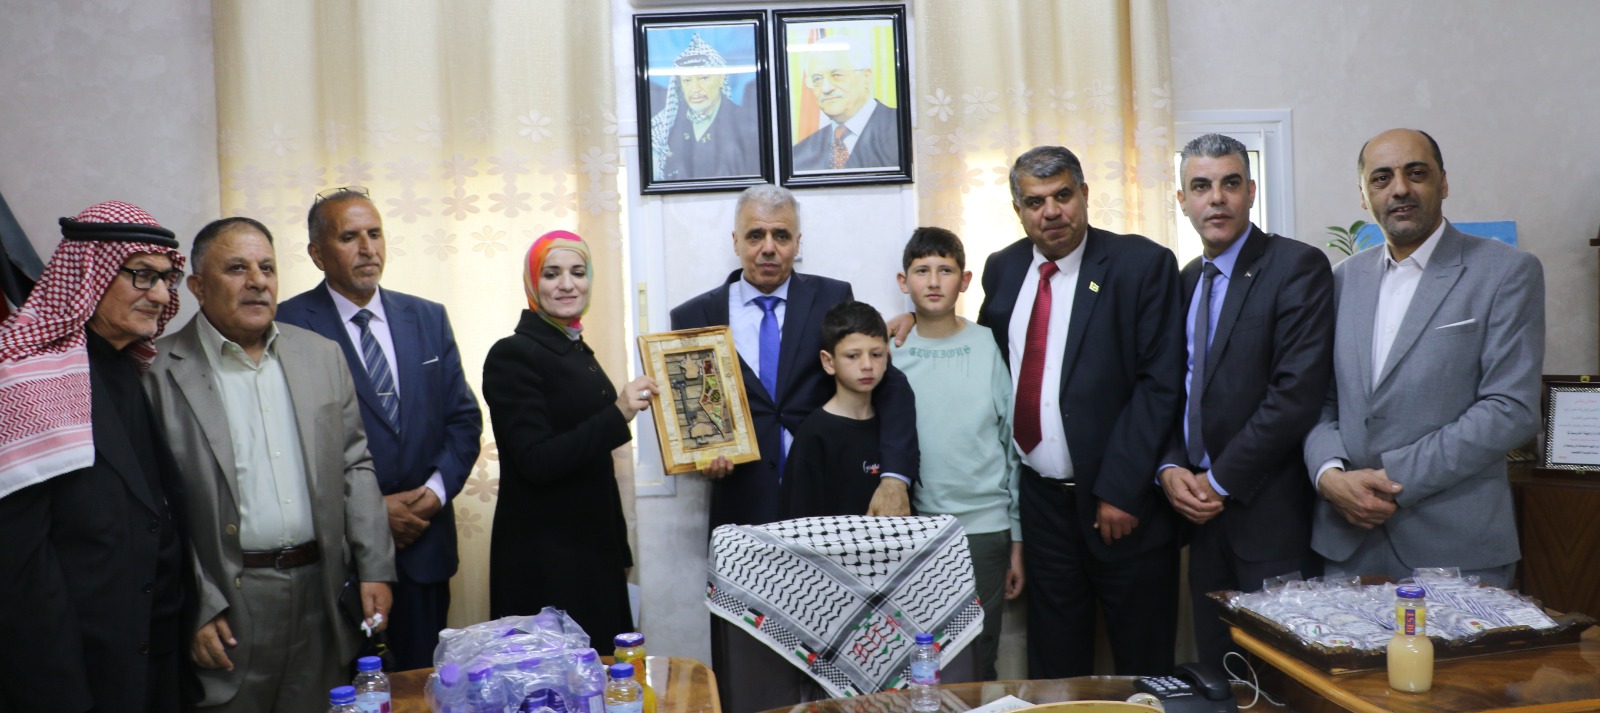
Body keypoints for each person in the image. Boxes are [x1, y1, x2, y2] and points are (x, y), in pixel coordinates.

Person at [144, 217, 395, 712]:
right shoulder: (156, 372)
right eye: (237, 268)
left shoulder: (321, 356)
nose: (257, 281)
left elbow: (355, 465)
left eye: (267, 268)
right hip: (229, 604)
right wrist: (196, 604)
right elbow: (155, 512)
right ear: (197, 287)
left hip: (322, 594)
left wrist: (375, 567)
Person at [974, 146, 1185, 677]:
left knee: (1143, 668)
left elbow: (1160, 384)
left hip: (1121, 506)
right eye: (1035, 202)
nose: (1051, 212)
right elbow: (985, 356)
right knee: (1055, 670)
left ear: (1085, 194)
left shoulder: (1141, 265)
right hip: (1042, 507)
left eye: (1063, 195)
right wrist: (913, 322)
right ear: (1018, 210)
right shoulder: (1003, 269)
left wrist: (1120, 489)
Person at [1303, 129, 1544, 587]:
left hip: (1456, 547)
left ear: (1443, 182)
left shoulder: (1507, 272)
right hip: (1348, 540)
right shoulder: (1341, 280)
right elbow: (1320, 399)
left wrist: (1392, 477)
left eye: (1416, 173)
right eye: (1381, 178)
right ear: (1364, 196)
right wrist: (1329, 475)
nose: (1399, 189)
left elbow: (1511, 409)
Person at [277, 188, 483, 670]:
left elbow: (463, 419)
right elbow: (285, 443)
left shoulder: (427, 317)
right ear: (317, 253)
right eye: (349, 237)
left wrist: (433, 495)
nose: (368, 248)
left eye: (375, 233)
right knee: (350, 691)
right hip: (339, 561)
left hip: (424, 548)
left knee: (422, 687)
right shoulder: (287, 325)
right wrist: (368, 513)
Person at [0, 201, 192, 712]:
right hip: (78, 675)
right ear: (91, 273)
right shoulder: (30, 381)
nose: (160, 295)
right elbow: (20, 572)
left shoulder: (127, 367)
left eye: (166, 278)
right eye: (142, 275)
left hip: (153, 653)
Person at [1157, 134, 1334, 667]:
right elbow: (1173, 388)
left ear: (1251, 192)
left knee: (1280, 679)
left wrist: (1218, 480)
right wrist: (1170, 466)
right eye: (1201, 186)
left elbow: (1295, 395)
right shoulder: (1187, 279)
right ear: (1182, 200)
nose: (1216, 198)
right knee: (1218, 674)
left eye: (1230, 183)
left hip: (1269, 517)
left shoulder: (1296, 265)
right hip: (1199, 519)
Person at [669, 184, 919, 529]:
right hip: (743, 504)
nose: (768, 248)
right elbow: (692, 411)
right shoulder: (694, 317)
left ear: (798, 243)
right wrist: (703, 454)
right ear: (736, 242)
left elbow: (891, 386)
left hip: (832, 499)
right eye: (755, 235)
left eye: (781, 235)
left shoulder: (832, 297)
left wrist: (895, 478)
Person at [482, 230, 657, 643]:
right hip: (546, 559)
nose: (567, 284)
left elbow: (597, 464)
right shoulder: (514, 354)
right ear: (533, 283)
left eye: (578, 272)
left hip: (593, 551)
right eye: (551, 274)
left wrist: (620, 549)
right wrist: (620, 412)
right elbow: (536, 461)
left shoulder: (575, 348)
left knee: (604, 672)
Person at [891, 226, 1023, 681]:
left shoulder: (987, 344)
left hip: (985, 528)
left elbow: (1011, 444)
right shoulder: (889, 349)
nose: (933, 281)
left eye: (945, 270)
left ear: (964, 281)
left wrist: (1017, 540)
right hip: (914, 530)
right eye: (921, 270)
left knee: (978, 653)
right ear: (903, 281)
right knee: (916, 656)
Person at [781, 301, 911, 518]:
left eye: (876, 354)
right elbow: (799, 517)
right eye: (853, 356)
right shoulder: (813, 434)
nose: (867, 365)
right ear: (828, 362)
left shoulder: (892, 430)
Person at [649, 33, 761, 182]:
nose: (695, 89)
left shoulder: (747, 123)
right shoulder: (663, 127)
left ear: (721, 78)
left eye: (703, 78)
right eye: (687, 80)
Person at [790, 30, 900, 171]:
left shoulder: (903, 127)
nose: (826, 88)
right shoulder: (799, 155)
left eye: (837, 75)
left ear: (866, 76)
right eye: (817, 79)